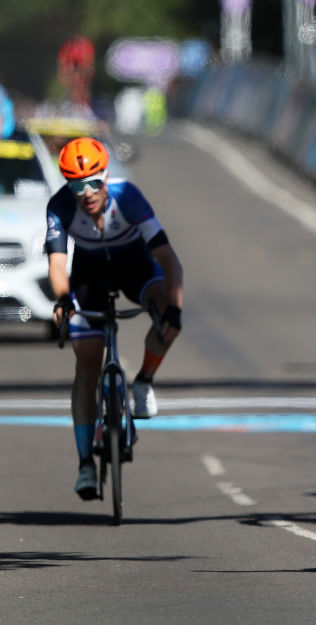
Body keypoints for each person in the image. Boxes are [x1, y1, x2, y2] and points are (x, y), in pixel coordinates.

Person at [46, 137, 184, 500]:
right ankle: (85, 464)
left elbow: (168, 259)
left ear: (106, 176)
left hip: (134, 265)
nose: (87, 192)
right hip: (89, 276)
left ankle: (144, 381)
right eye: (77, 185)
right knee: (87, 367)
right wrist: (63, 299)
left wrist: (174, 307)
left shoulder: (129, 197)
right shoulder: (60, 206)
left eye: (94, 181)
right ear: (67, 185)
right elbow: (57, 265)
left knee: (166, 317)